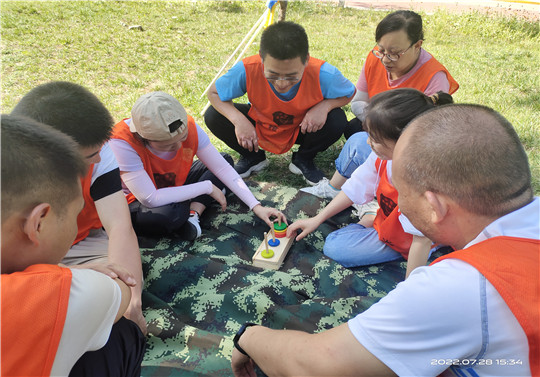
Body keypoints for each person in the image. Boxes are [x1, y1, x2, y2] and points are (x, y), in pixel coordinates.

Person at [231, 104, 538, 377]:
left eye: (402, 192)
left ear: (435, 206)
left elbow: (318, 364)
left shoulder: (459, 287)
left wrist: (247, 336)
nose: (396, 204)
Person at [1, 114, 146, 376]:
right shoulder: (58, 294)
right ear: (38, 222)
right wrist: (69, 275)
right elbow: (120, 292)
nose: (99, 159)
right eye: (75, 212)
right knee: (124, 334)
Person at [11, 81, 147, 334]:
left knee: (119, 282)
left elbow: (119, 226)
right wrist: (62, 275)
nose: (98, 159)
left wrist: (132, 299)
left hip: (81, 246)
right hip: (19, 264)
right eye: (88, 156)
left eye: (100, 150)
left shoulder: (97, 151)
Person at [288, 88, 453, 277]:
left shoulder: (421, 186)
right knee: (356, 143)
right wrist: (316, 219)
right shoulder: (384, 157)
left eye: (375, 139)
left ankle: (374, 217)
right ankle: (372, 213)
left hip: (410, 238)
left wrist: (407, 290)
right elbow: (355, 185)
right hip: (391, 220)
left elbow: (420, 241)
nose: (369, 143)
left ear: (405, 142)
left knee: (335, 248)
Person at [302, 10, 459, 200]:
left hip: (409, 146)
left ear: (417, 46)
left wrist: (384, 129)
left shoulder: (434, 77)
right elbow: (358, 101)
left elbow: (429, 139)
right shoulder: (374, 59)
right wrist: (378, 123)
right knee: (355, 131)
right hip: (385, 134)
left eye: (394, 54)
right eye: (381, 50)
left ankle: (359, 189)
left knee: (359, 142)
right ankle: (359, 185)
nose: (384, 59)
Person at [109, 91, 286, 240]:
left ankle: (193, 214)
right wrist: (207, 187)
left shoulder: (188, 126)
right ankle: (185, 210)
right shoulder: (122, 142)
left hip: (173, 184)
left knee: (224, 160)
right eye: (168, 145)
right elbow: (149, 197)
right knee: (167, 215)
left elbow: (222, 168)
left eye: (183, 139)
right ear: (144, 138)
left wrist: (256, 206)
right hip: (136, 200)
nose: (178, 147)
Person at [204, 21, 356, 185]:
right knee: (213, 115)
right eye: (273, 74)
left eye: (291, 76)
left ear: (306, 60)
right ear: (261, 57)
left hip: (303, 127)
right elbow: (213, 93)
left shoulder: (324, 73)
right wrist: (239, 121)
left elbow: (349, 92)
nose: (281, 83)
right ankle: (253, 157)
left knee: (337, 118)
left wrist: (325, 106)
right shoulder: (248, 68)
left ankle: (303, 159)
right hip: (261, 124)